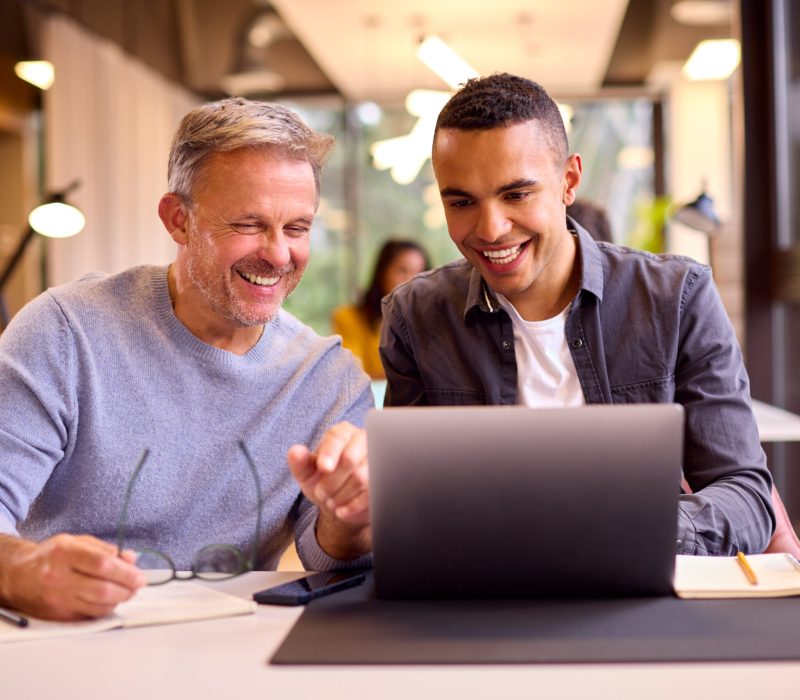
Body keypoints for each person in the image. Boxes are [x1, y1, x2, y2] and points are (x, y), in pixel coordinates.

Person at [0, 98, 372, 621]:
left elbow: (328, 557)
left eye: (297, 228)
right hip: (70, 636)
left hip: (231, 647)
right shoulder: (64, 332)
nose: (279, 254)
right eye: (249, 223)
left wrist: (350, 515)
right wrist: (22, 571)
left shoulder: (328, 379)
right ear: (179, 220)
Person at [379, 73, 775, 556]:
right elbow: (405, 499)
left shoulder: (677, 298)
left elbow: (746, 495)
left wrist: (628, 528)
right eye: (462, 201)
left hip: (641, 583)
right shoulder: (414, 315)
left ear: (568, 181)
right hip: (484, 592)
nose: (490, 229)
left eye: (517, 194)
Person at [332, 239, 430, 379]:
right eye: (403, 270)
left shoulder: (431, 320)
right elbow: (350, 374)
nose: (411, 281)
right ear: (382, 272)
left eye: (419, 273)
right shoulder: (348, 316)